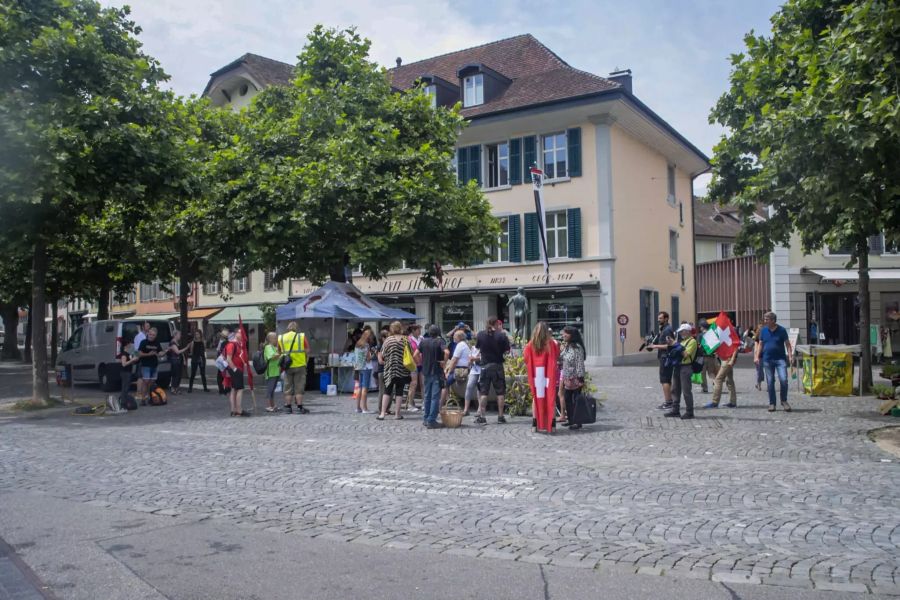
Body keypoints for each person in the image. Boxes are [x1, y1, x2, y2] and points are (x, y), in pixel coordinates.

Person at [524, 322, 560, 433]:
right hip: (548, 375)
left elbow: (526, 358)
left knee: (536, 398)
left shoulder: (531, 344)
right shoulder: (551, 344)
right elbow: (557, 355)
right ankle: (552, 425)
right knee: (551, 398)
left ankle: (535, 424)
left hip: (536, 375)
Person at [475, 317, 511, 425]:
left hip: (485, 366)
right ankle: (500, 417)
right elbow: (507, 350)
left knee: (483, 392)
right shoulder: (501, 335)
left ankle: (483, 417)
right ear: (496, 324)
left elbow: (478, 347)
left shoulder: (480, 334)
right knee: (500, 392)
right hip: (497, 366)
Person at [756, 311, 792, 412]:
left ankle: (784, 401)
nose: (765, 321)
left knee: (784, 380)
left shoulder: (782, 330)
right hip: (767, 359)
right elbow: (761, 344)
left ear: (773, 320)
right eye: (765, 319)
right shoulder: (763, 331)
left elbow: (788, 344)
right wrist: (757, 356)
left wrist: (790, 356)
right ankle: (772, 403)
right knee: (770, 382)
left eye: (767, 319)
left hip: (780, 359)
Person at [377, 321, 411, 421]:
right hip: (402, 370)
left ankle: (382, 414)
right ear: (400, 328)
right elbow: (410, 353)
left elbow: (382, 354)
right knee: (399, 392)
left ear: (392, 329)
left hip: (389, 370)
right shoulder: (405, 340)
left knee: (387, 391)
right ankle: (397, 414)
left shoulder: (388, 340)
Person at [665, 323, 697, 419]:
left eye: (682, 331)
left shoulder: (692, 341)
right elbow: (676, 350)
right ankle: (675, 410)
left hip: (686, 367)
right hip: (678, 367)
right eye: (680, 332)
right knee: (675, 389)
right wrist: (671, 344)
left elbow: (686, 354)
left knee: (686, 390)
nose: (681, 333)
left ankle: (689, 412)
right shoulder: (683, 341)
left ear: (687, 331)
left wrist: (676, 344)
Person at [417, 324, 446, 429]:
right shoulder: (440, 341)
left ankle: (426, 419)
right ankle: (431, 420)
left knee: (427, 396)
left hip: (426, 371)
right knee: (435, 397)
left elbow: (415, 354)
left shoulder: (423, 341)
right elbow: (446, 352)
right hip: (436, 371)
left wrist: (421, 362)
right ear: (438, 333)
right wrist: (444, 362)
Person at [278, 321, 310, 414]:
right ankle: (300, 408)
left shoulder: (281, 337)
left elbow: (279, 351)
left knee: (288, 387)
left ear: (288, 328)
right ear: (296, 328)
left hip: (287, 366)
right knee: (299, 387)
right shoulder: (301, 337)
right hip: (300, 365)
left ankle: (288, 407)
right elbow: (307, 350)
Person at [558, 326, 587, 430]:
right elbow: (561, 358)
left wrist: (580, 378)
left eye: (566, 333)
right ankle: (571, 420)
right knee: (567, 399)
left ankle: (577, 421)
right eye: (563, 333)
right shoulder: (567, 346)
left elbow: (580, 363)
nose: (563, 335)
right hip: (567, 378)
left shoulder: (577, 348)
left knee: (576, 400)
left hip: (575, 378)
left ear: (572, 335)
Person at [649, 312, 677, 410]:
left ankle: (668, 402)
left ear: (666, 319)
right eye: (658, 318)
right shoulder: (664, 329)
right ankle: (670, 401)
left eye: (660, 318)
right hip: (665, 357)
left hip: (665, 358)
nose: (658, 320)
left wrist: (655, 346)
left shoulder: (667, 330)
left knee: (664, 380)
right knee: (666, 380)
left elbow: (670, 345)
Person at [137, 327, 166, 406]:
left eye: (153, 335)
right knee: (145, 381)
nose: (151, 336)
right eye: (150, 334)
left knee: (151, 382)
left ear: (155, 336)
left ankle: (150, 397)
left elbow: (159, 353)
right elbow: (139, 354)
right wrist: (148, 354)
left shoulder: (157, 343)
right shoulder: (143, 342)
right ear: (147, 334)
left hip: (154, 365)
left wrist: (164, 352)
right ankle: (143, 399)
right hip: (145, 365)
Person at [225, 328, 250, 417]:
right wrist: (235, 369)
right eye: (240, 333)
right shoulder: (232, 344)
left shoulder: (239, 344)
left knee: (234, 389)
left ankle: (233, 410)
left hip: (238, 369)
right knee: (240, 389)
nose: (242, 335)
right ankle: (239, 410)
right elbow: (228, 359)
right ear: (236, 334)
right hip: (235, 369)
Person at [444, 330, 470, 402]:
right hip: (462, 368)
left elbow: (454, 360)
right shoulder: (464, 344)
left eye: (454, 335)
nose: (453, 337)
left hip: (460, 370)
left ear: (459, 337)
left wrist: (448, 372)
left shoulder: (460, 345)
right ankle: (447, 399)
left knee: (443, 383)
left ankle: (442, 403)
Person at [353, 329, 374, 414]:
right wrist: (374, 354)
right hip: (366, 368)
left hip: (359, 367)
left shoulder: (358, 344)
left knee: (360, 388)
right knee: (365, 388)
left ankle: (358, 407)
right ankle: (365, 408)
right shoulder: (366, 345)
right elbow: (368, 359)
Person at [697, 321, 720, 394]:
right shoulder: (712, 335)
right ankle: (716, 386)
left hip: (702, 357)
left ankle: (705, 388)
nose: (700, 328)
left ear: (703, 327)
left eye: (700, 327)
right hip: (711, 356)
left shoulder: (700, 335)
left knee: (702, 373)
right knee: (711, 373)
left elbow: (698, 346)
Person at [166, 331, 191, 395]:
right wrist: (186, 348)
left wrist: (184, 360)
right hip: (174, 361)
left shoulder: (177, 342)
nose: (180, 336)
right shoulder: (172, 343)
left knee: (179, 375)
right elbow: (177, 352)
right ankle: (173, 389)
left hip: (179, 360)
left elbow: (180, 352)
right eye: (179, 334)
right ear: (175, 335)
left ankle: (176, 388)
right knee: (175, 375)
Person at [405, 324, 422, 412]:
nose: (420, 331)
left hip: (422, 364)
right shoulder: (409, 339)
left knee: (423, 384)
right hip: (413, 364)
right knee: (413, 384)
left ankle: (424, 403)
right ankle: (410, 404)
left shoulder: (421, 338)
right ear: (413, 330)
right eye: (418, 329)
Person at [263, 332, 282, 412]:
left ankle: (273, 405)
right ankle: (269, 406)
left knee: (273, 390)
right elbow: (272, 357)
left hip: (275, 371)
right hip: (270, 372)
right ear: (270, 339)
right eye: (275, 338)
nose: (276, 339)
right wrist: (281, 353)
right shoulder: (268, 347)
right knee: (270, 390)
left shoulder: (274, 347)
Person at [132, 321, 151, 401]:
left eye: (149, 326)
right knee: (140, 377)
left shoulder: (147, 336)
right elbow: (136, 349)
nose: (148, 328)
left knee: (146, 377)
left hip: (147, 359)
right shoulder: (139, 336)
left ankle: (145, 393)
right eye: (147, 326)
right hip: (141, 358)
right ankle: (138, 393)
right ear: (143, 327)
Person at [117, 342, 139, 407]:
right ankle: (123, 403)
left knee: (126, 387)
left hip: (128, 372)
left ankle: (124, 401)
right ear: (126, 346)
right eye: (129, 345)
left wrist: (134, 358)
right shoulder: (124, 354)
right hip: (125, 372)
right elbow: (124, 364)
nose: (131, 346)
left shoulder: (129, 353)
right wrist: (132, 360)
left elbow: (135, 357)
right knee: (125, 388)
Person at [215, 328, 231, 396]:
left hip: (223, 360)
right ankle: (226, 389)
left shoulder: (222, 342)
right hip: (227, 360)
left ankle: (222, 390)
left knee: (220, 376)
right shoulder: (228, 342)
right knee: (227, 375)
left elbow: (219, 351)